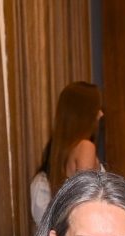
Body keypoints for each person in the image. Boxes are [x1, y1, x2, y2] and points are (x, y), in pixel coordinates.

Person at [29, 82, 104, 224]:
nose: (101, 114)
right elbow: (87, 205)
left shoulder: (57, 153)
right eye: (96, 109)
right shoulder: (85, 147)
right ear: (84, 113)